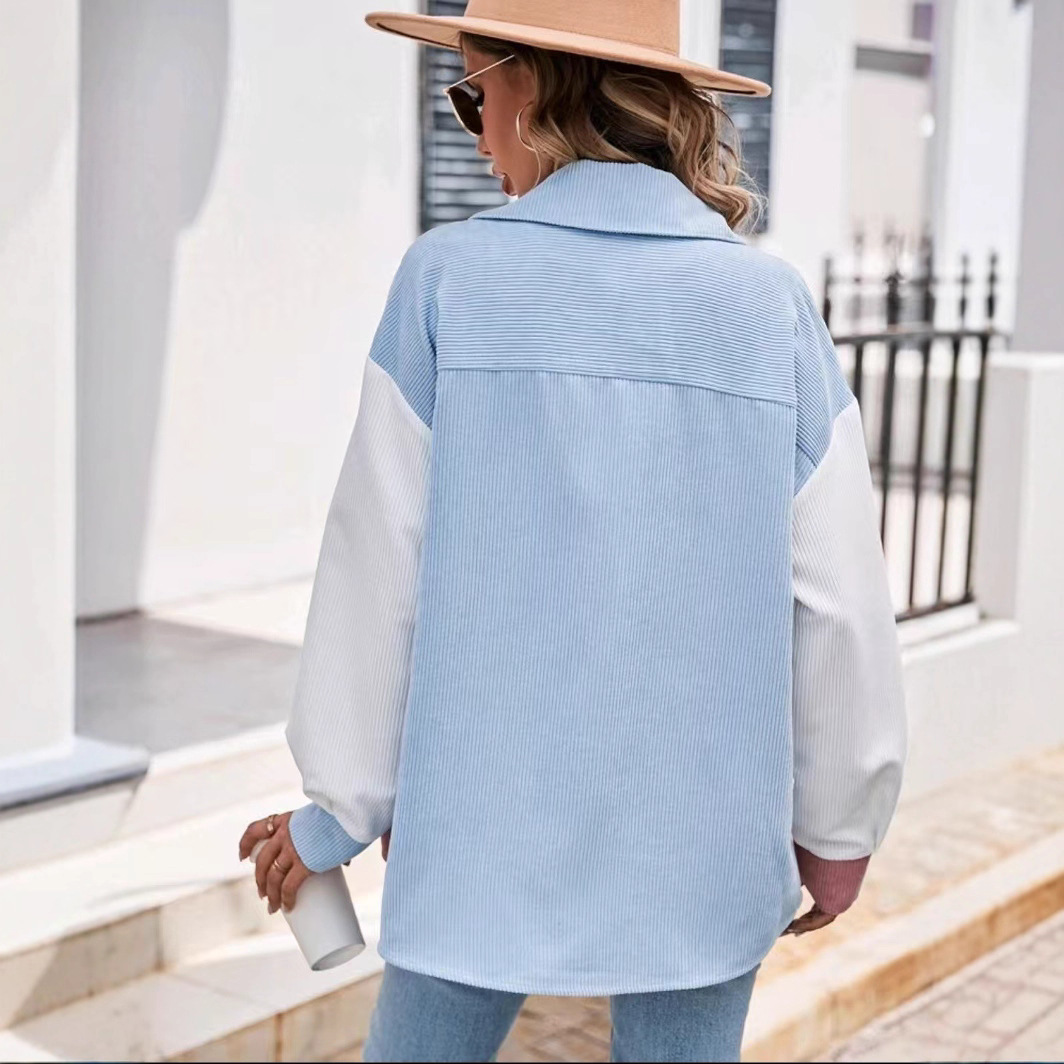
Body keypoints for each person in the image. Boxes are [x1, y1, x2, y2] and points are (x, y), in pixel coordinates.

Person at [237, 2, 908, 1060]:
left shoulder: (447, 282)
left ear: (532, 84)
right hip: (703, 847)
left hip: (476, 835)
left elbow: (377, 575)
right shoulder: (769, 307)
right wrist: (838, 831)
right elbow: (838, 601)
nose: (474, 132)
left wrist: (337, 812)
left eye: (471, 94)